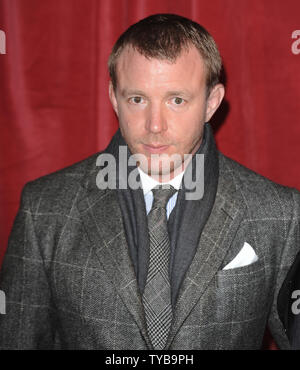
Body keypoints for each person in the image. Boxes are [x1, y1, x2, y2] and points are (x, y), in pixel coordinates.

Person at [0, 13, 299, 350]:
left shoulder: (281, 214)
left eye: (177, 100)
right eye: (137, 99)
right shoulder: (44, 210)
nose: (154, 125)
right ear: (114, 98)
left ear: (211, 103)